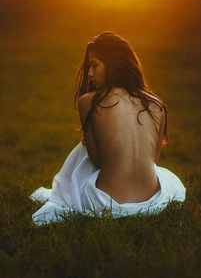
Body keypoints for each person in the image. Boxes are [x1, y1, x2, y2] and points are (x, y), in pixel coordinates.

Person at [30, 32, 186, 225]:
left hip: (107, 204)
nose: (89, 74)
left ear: (113, 64)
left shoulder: (89, 102)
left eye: (94, 65)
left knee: (82, 151)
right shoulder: (156, 104)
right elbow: (153, 160)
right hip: (153, 200)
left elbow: (96, 162)